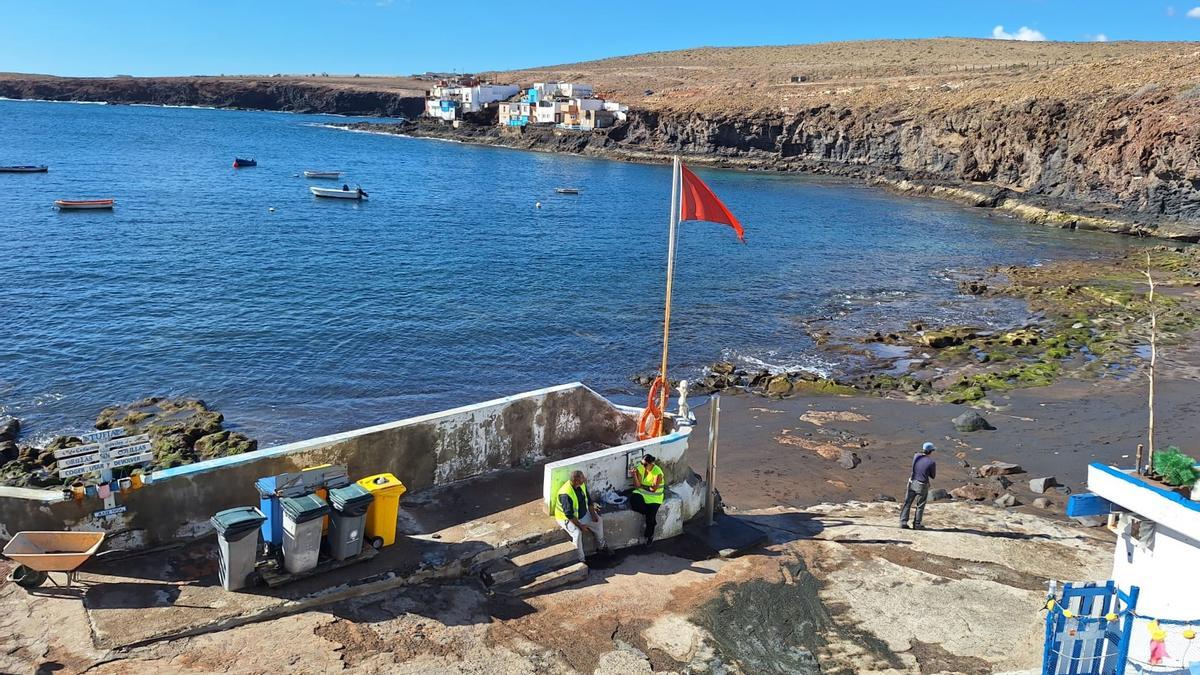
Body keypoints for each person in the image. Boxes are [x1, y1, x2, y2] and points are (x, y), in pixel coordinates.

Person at [553, 470, 607, 562]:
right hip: (567, 518)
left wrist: (593, 515)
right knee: (577, 534)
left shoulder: (581, 485)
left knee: (599, 521)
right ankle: (581, 560)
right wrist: (581, 526)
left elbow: (589, 501)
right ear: (576, 481)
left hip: (582, 514)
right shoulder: (565, 493)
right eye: (582, 478)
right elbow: (569, 514)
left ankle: (601, 548)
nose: (584, 479)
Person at [900, 442, 937, 530]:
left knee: (907, 502)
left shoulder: (916, 456)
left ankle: (903, 522)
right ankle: (917, 524)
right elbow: (933, 476)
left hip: (912, 482)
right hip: (922, 485)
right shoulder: (931, 462)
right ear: (931, 451)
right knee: (920, 505)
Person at [629, 454, 665, 545]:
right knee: (634, 500)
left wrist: (642, 486)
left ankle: (649, 536)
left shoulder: (657, 472)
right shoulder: (640, 468)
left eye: (645, 464)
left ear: (651, 464)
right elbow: (637, 486)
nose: (643, 466)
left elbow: (653, 489)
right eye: (642, 463)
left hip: (655, 497)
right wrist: (634, 475)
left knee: (650, 518)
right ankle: (648, 514)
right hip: (642, 493)